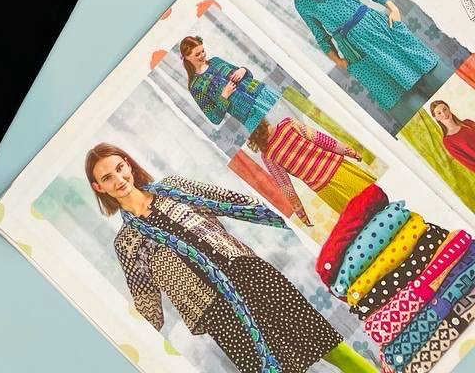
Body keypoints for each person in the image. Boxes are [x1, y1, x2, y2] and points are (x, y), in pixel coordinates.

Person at [85, 142, 376, 373]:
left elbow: (234, 202)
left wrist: (296, 221)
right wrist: (119, 336)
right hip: (215, 312)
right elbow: (147, 305)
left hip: (251, 276)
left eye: (120, 168)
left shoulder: (175, 188)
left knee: (329, 346)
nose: (119, 179)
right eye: (107, 178)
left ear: (128, 164)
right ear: (99, 187)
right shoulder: (127, 243)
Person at [269, 0, 440, 112]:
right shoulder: (301, 3)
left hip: (374, 27)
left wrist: (392, 8)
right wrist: (338, 61)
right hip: (353, 50)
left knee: (427, 71)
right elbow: (321, 36)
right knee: (401, 100)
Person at [245, 116, 374, 226]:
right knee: (375, 194)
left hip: (326, 189)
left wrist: (300, 213)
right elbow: (322, 139)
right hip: (340, 169)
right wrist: (350, 152)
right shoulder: (288, 124)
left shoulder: (267, 156)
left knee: (362, 218)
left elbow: (286, 187)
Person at [180, 34, 279, 133]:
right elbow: (215, 118)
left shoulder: (216, 61)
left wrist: (243, 70)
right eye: (197, 54)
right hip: (249, 115)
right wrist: (224, 96)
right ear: (187, 57)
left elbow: (249, 75)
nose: (203, 55)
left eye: (203, 51)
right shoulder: (195, 87)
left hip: (264, 93)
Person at [430, 100, 475, 171]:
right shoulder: (448, 141)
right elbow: (468, 162)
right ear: (436, 118)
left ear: (449, 109)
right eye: (439, 113)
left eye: (445, 109)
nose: (444, 114)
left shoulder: (468, 123)